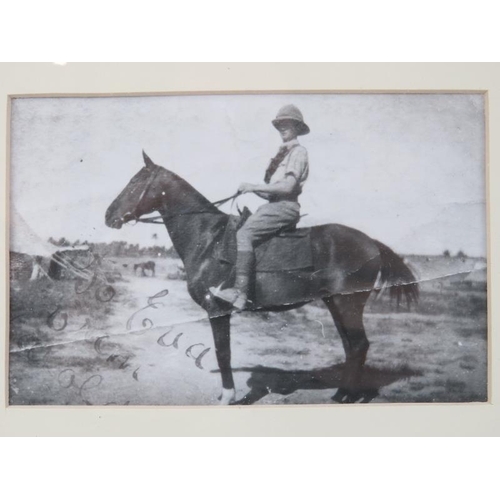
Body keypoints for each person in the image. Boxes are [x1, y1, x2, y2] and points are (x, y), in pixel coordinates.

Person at [210, 104, 310, 310]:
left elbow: (288, 186)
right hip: (274, 205)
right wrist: (250, 189)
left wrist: (254, 186)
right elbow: (271, 191)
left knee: (244, 235)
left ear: (297, 127)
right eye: (280, 124)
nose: (283, 127)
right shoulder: (282, 153)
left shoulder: (298, 152)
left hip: (285, 207)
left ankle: (240, 292)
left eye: (287, 124)